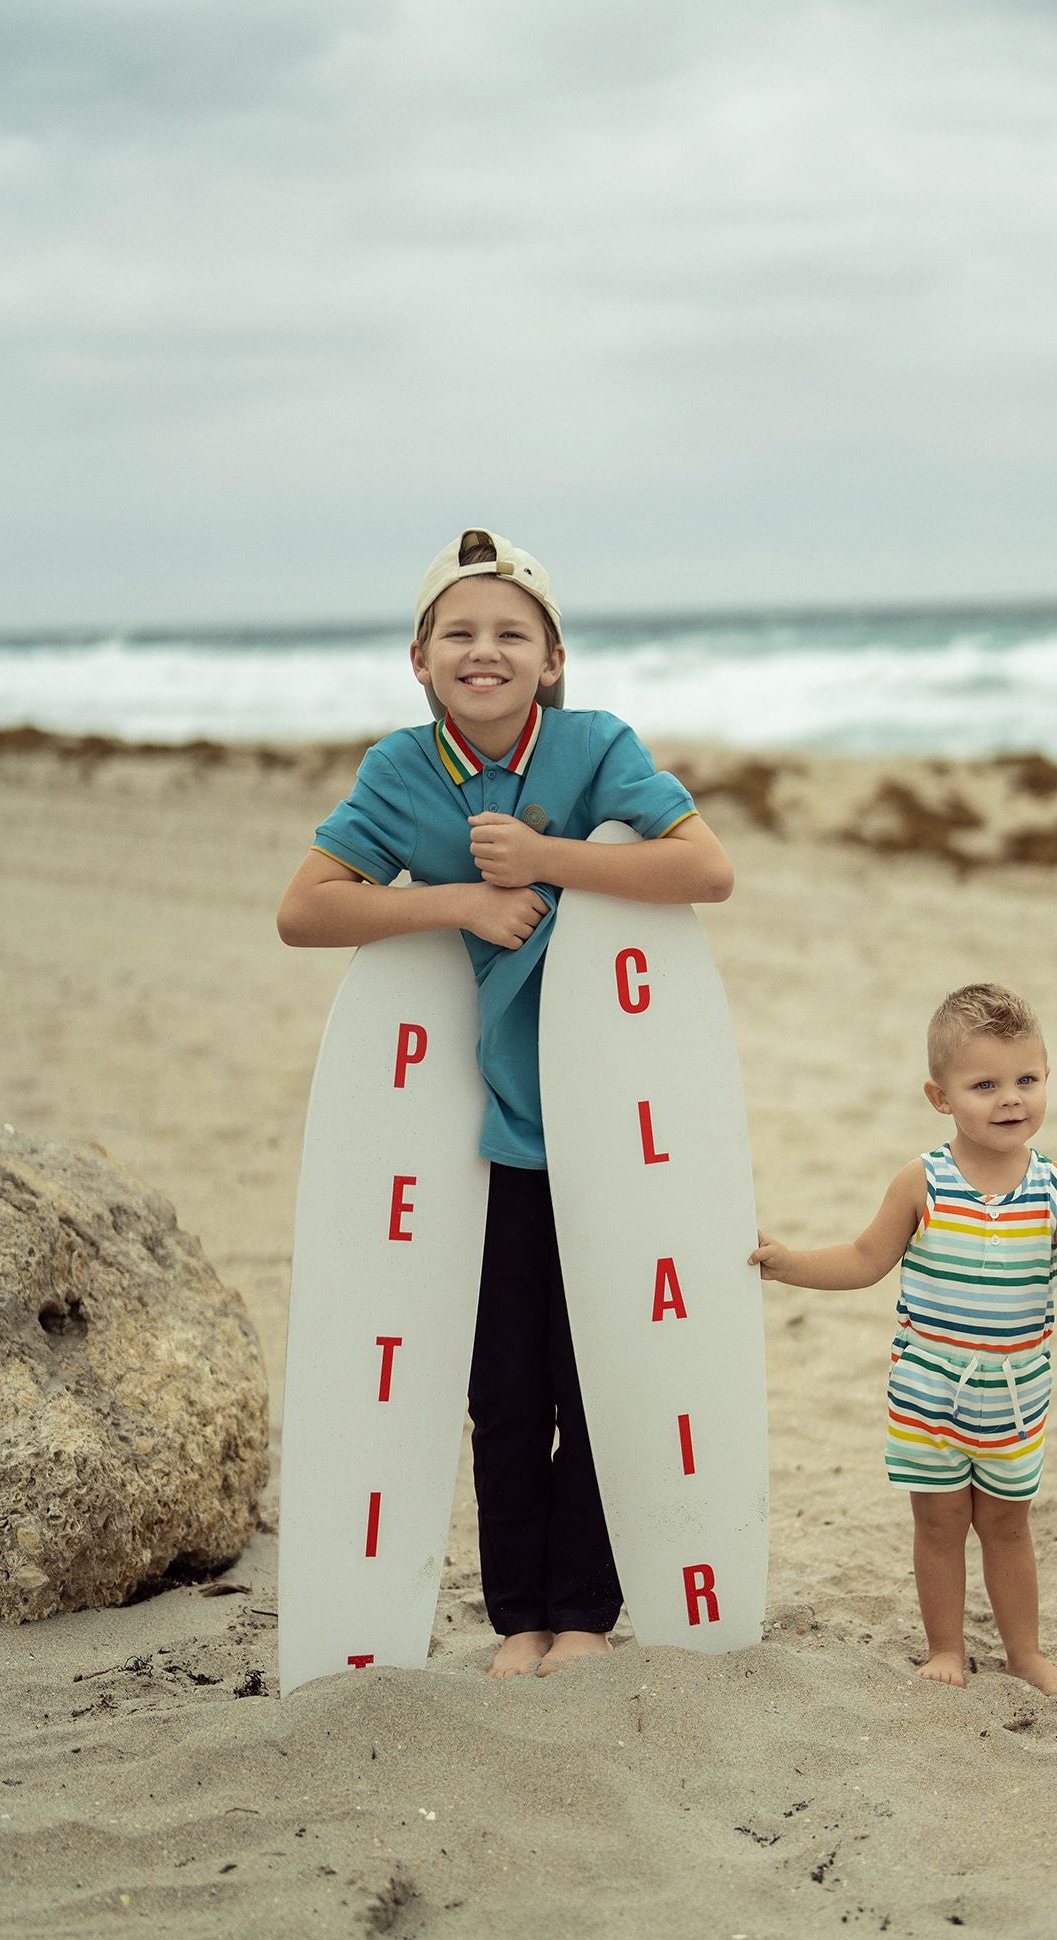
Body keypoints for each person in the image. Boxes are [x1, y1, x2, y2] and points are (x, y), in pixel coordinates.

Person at [278, 528, 734, 1678]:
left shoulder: (593, 748)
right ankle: (517, 1615)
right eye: (461, 633)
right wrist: (454, 904)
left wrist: (545, 855)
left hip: (608, 1130)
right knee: (502, 1384)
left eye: (511, 634)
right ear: (421, 659)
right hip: (475, 1138)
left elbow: (704, 868)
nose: (487, 651)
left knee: (598, 1374)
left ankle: (584, 1609)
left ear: (553, 657)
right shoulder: (398, 771)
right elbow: (306, 910)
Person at [751, 983, 1057, 1695]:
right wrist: (789, 1263)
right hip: (927, 1391)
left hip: (1013, 1398)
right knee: (940, 1521)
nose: (1010, 1099)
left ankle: (1024, 1653)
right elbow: (864, 1259)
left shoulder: (1052, 1188)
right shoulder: (921, 1182)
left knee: (1008, 1526)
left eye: (1026, 1080)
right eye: (984, 1084)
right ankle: (945, 1647)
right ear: (939, 1096)